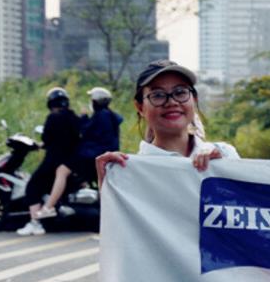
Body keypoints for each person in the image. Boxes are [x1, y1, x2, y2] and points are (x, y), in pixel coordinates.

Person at [93, 60, 238, 185]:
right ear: (140, 107)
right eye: (158, 95)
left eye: (180, 92)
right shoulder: (130, 171)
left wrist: (223, 170)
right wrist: (107, 188)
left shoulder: (225, 154)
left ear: (194, 99)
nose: (172, 102)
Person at [18, 87, 90, 235]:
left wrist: (41, 145)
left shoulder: (52, 118)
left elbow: (47, 139)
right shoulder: (73, 117)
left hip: (53, 160)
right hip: (70, 161)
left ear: (50, 103)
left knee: (33, 186)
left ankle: (35, 222)